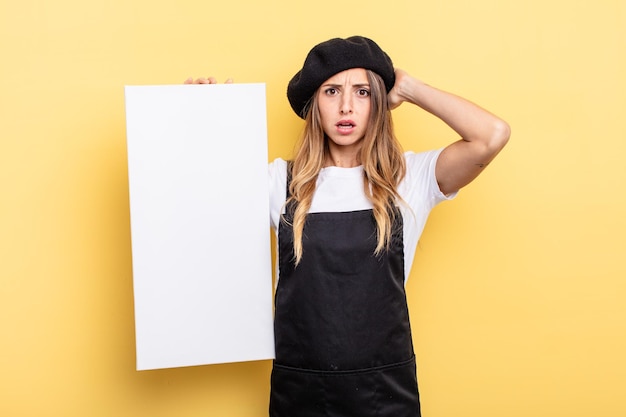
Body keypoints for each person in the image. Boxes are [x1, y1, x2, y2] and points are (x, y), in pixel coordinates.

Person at [186, 36, 510, 417]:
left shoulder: (409, 179)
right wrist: (202, 122)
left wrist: (406, 86)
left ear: (379, 100)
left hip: (384, 393)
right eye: (331, 91)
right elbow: (196, 207)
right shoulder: (280, 182)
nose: (345, 106)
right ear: (314, 105)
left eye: (362, 92)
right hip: (301, 391)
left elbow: (491, 136)